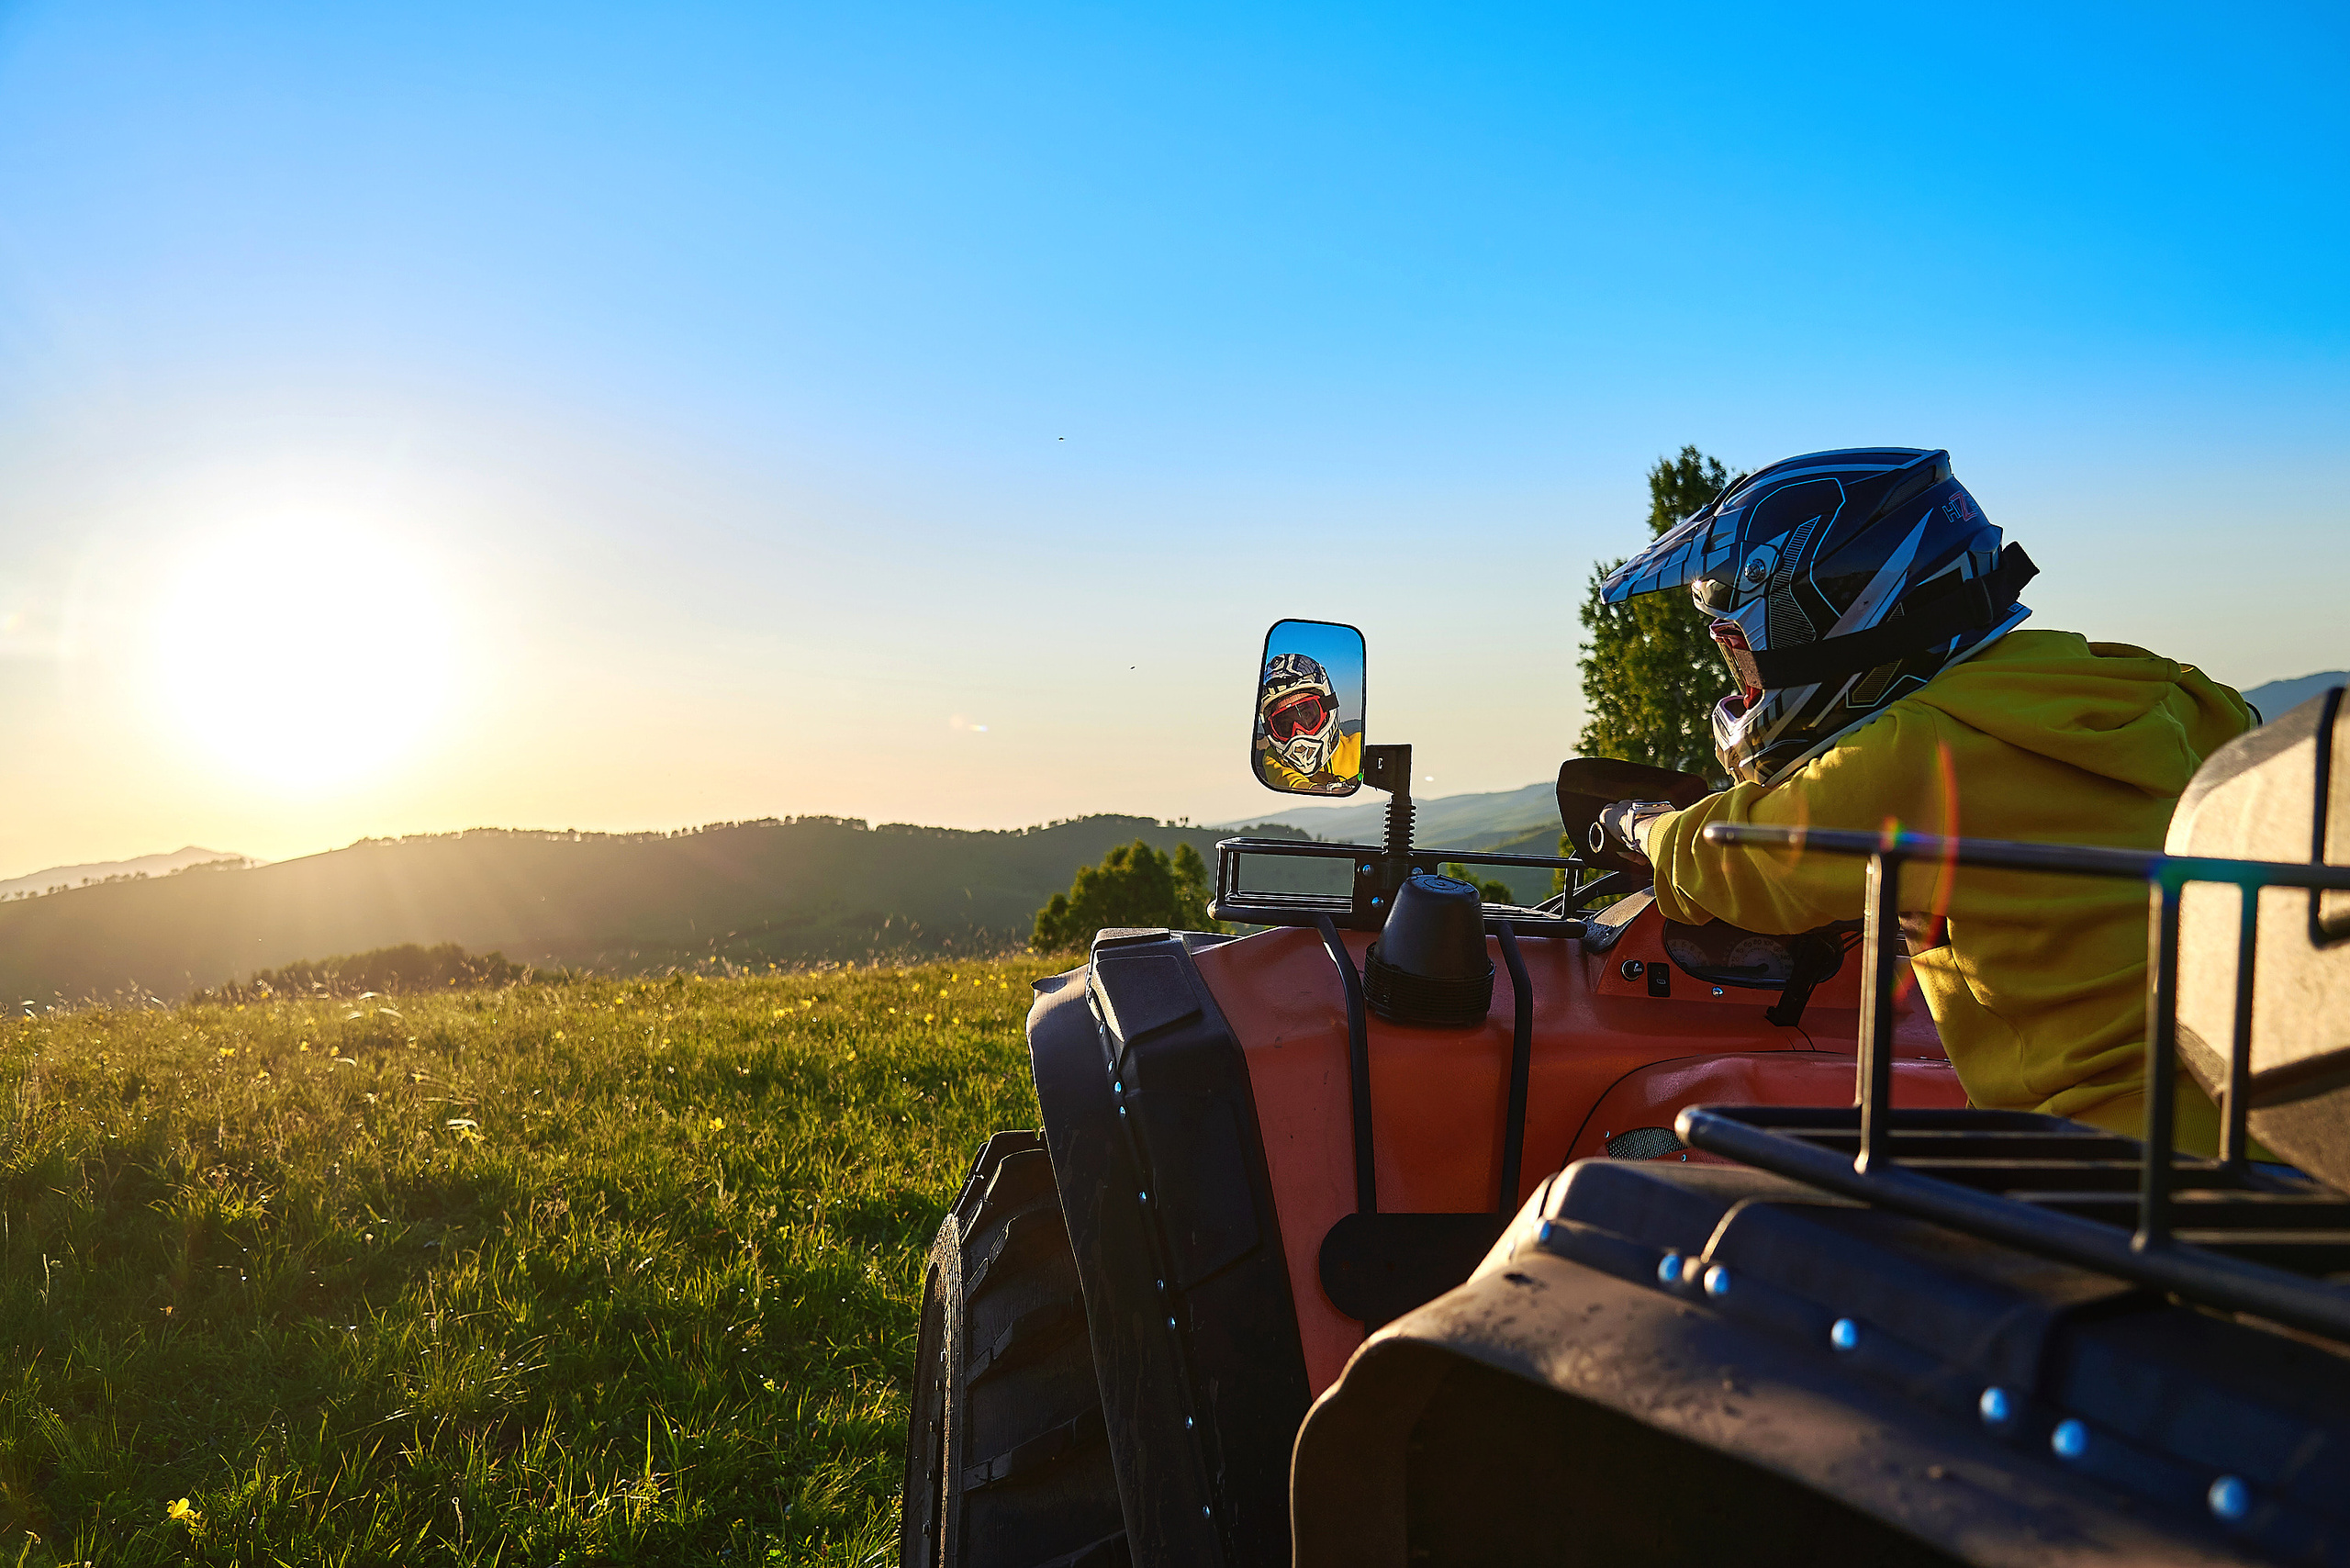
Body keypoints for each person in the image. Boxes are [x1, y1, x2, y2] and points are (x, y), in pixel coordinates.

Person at [1592, 447, 2255, 1148]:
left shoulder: (1920, 750)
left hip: (2108, 1161)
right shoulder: (2157, 691)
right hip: (2270, 1136)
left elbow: (1740, 859)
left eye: (1740, 648)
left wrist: (1641, 828)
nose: (1744, 679)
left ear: (1846, 615)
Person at [1258, 652, 1362, 793]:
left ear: (1327, 708)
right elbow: (1291, 782)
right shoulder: (1273, 759)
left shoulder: (1359, 747)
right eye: (1285, 725)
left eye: (1307, 715)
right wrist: (1328, 790)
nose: (1298, 733)